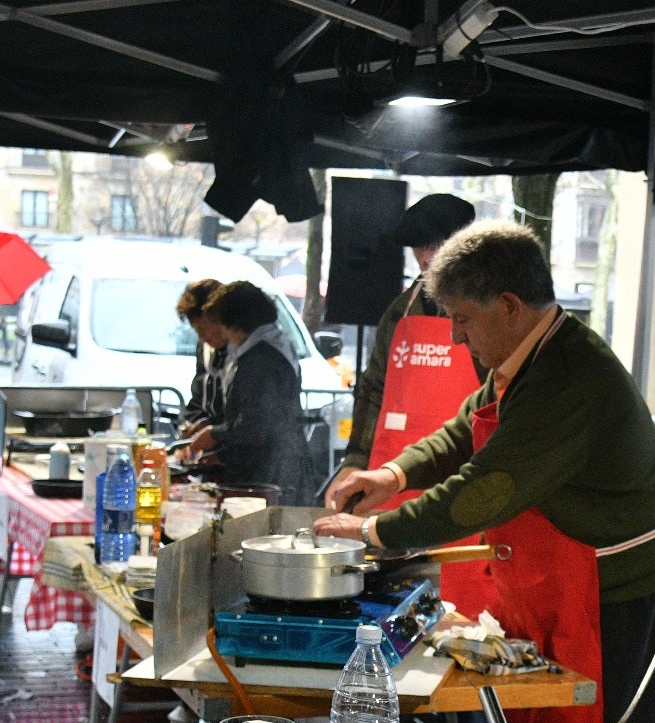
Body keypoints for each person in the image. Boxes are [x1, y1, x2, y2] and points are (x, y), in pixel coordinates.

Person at [318, 222, 655, 723]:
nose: (455, 338)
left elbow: (483, 492)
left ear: (510, 306)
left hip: (618, 598)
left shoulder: (567, 376)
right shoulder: (523, 359)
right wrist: (392, 476)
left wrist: (375, 533)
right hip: (566, 590)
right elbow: (467, 428)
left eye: (463, 320)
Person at [338, 191, 478, 477]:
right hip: (396, 467)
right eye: (419, 248)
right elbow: (374, 388)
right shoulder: (399, 312)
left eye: (435, 246)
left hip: (466, 466)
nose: (426, 257)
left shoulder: (489, 310)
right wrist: (355, 460)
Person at [186, 279, 314, 503]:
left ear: (232, 321)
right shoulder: (264, 349)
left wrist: (214, 434)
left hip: (271, 472)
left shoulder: (260, 358)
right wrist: (212, 425)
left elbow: (255, 427)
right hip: (272, 467)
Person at [176, 276, 228, 429]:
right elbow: (200, 394)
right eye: (196, 330)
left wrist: (214, 431)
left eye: (204, 327)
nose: (202, 336)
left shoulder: (242, 351)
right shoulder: (205, 347)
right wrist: (190, 424)